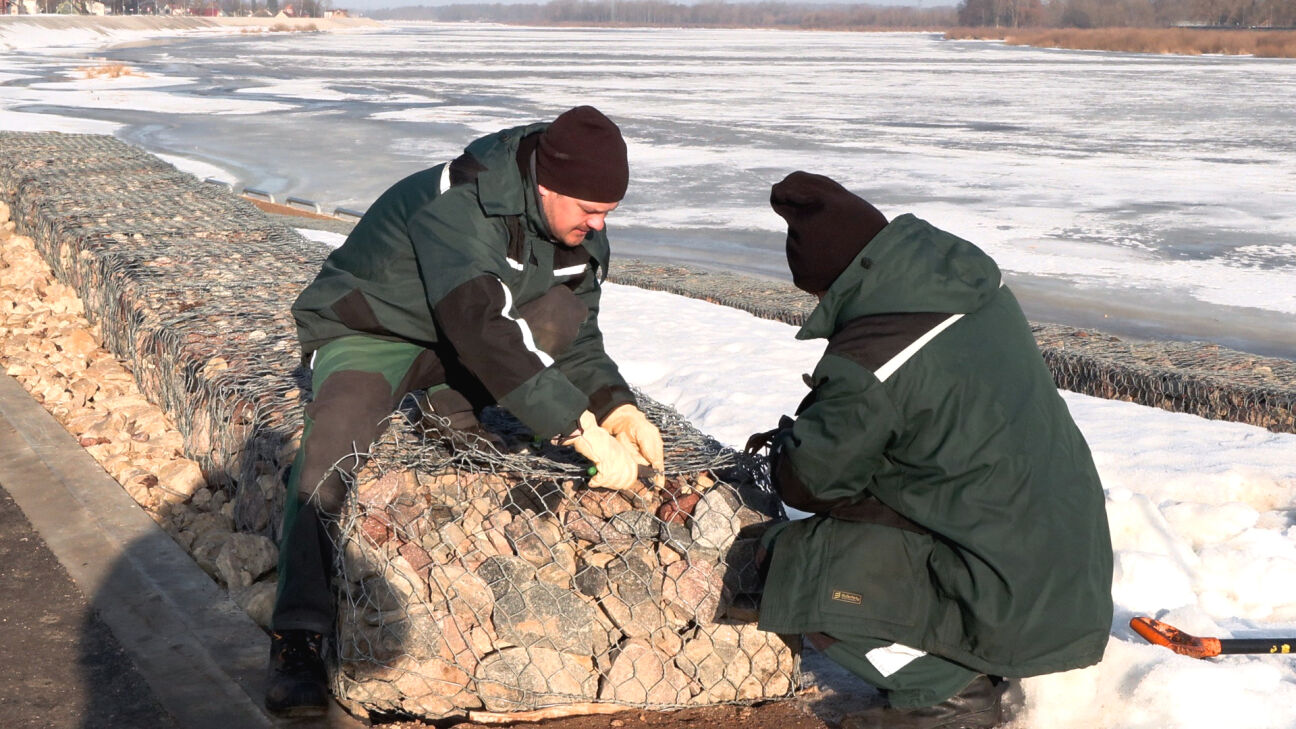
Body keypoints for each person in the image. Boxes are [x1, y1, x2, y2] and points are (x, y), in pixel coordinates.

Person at [265, 106, 665, 717]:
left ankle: (447, 402)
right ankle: (298, 634)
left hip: (455, 338)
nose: (600, 222)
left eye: (608, 210)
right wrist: (576, 428)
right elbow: (483, 326)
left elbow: (575, 333)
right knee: (333, 442)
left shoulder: (577, 225)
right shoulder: (459, 202)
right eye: (589, 209)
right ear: (546, 185)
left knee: (556, 313)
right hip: (374, 327)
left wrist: (616, 407)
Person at [748, 172, 1113, 729]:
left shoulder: (873, 356)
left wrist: (797, 439)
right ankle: (967, 652)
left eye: (819, 295)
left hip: (1009, 593)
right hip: (1069, 574)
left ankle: (943, 694)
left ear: (832, 283)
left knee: (793, 562)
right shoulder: (977, 297)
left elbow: (811, 483)